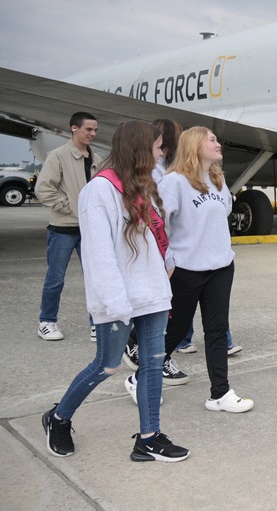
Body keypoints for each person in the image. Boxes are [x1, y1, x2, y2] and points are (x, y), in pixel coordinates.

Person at [41, 120, 189, 463]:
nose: (160, 153)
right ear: (138, 149)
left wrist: (166, 270)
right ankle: (59, 418)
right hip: (119, 299)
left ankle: (149, 438)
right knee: (106, 365)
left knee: (152, 365)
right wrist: (115, 304)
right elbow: (99, 254)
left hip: (150, 292)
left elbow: (152, 238)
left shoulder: (142, 186)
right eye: (155, 147)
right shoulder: (100, 191)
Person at [148, 126, 253, 412]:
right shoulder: (174, 182)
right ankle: (141, 377)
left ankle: (220, 393)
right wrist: (166, 261)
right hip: (186, 270)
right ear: (195, 145)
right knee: (176, 330)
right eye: (212, 140)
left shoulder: (218, 180)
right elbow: (156, 224)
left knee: (217, 330)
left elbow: (222, 217)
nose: (219, 144)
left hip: (221, 267)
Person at [35, 112, 101, 342]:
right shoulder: (58, 156)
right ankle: (47, 321)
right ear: (74, 128)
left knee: (95, 278)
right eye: (88, 130)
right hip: (62, 227)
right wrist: (68, 206)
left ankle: (97, 323)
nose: (93, 134)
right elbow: (43, 189)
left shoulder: (97, 158)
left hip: (90, 229)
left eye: (95, 130)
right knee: (56, 278)